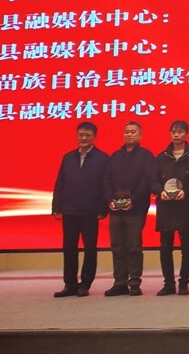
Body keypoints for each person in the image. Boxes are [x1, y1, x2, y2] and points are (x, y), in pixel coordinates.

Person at [52, 122, 109, 297]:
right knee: (69, 248)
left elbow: (105, 186)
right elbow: (60, 183)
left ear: (94, 137)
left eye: (87, 135)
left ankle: (85, 284)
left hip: (90, 211)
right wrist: (56, 206)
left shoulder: (102, 158)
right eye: (80, 135)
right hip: (70, 210)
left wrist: (103, 208)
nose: (83, 138)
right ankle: (69, 284)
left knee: (90, 249)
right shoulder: (68, 157)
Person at [102, 122, 157, 297]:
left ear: (140, 135)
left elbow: (147, 180)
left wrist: (133, 200)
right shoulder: (114, 156)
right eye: (126, 132)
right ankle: (119, 283)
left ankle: (134, 282)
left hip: (136, 210)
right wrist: (109, 200)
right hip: (115, 210)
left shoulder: (146, 156)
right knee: (117, 247)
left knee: (134, 247)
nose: (129, 134)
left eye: (133, 132)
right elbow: (106, 180)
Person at [152, 120, 189, 296]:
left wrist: (186, 191)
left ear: (187, 134)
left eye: (180, 131)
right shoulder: (161, 157)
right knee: (165, 246)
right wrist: (160, 191)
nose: (176, 134)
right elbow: (153, 180)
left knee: (186, 245)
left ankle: (184, 283)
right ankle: (168, 283)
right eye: (173, 131)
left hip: (186, 205)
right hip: (166, 206)